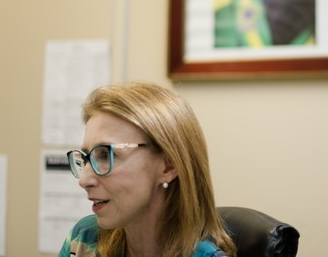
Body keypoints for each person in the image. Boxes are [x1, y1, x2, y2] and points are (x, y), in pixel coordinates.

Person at [58, 82, 236, 257]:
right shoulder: (82, 242)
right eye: (87, 158)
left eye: (105, 155)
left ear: (168, 166)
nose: (84, 181)